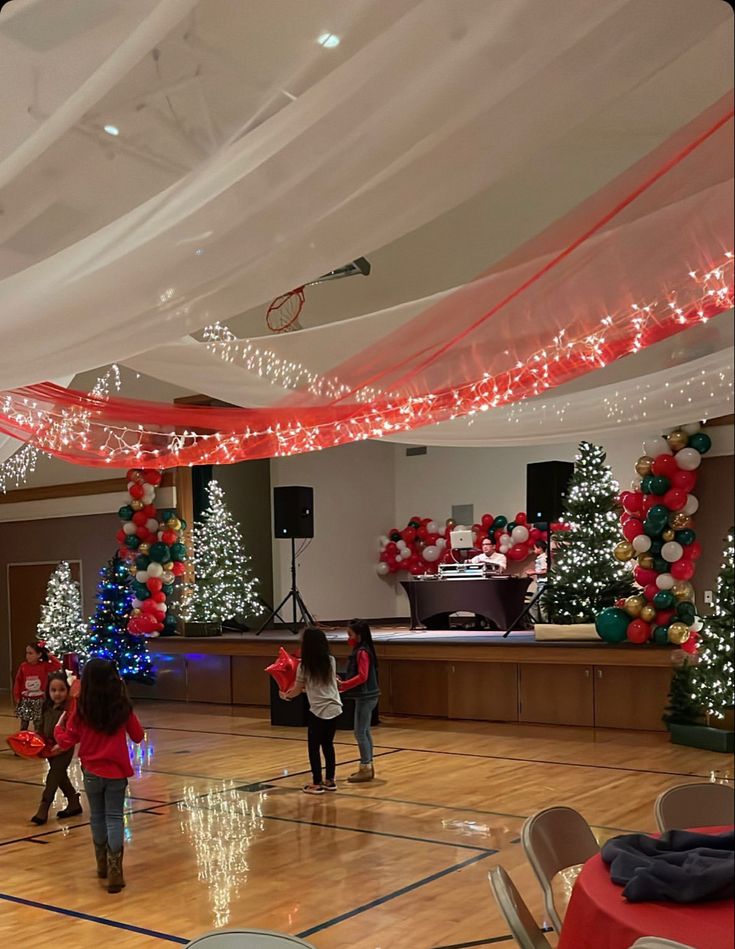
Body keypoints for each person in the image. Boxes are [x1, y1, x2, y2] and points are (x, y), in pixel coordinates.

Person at [54, 658, 144, 893]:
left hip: (91, 771)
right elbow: (137, 736)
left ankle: (102, 864)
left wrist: (57, 729)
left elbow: (68, 739)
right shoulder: (122, 707)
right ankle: (116, 869)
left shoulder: (82, 708)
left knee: (97, 817)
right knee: (115, 817)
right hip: (116, 773)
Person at [281, 627, 342, 795]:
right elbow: (321, 685)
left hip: (318, 710)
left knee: (314, 747)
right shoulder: (330, 660)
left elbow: (297, 688)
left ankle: (316, 782)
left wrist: (286, 695)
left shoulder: (304, 666)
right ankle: (330, 780)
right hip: (335, 707)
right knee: (328, 745)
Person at [31, 671, 82, 825]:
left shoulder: (69, 710)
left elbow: (71, 731)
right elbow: (39, 726)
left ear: (68, 691)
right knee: (59, 775)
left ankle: (44, 807)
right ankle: (73, 801)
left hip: (63, 748)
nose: (57, 694)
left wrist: (62, 745)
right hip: (48, 747)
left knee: (53, 776)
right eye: (53, 690)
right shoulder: (45, 706)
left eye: (61, 690)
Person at [338, 620, 380, 783]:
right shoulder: (362, 650)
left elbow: (362, 676)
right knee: (365, 731)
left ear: (359, 635)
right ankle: (368, 765)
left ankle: (365, 766)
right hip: (367, 695)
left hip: (366, 696)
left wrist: (344, 685)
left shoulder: (362, 652)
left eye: (350, 634)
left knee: (359, 732)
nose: (348, 638)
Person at [13, 641, 62, 731]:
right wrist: (17, 696)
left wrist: (49, 655)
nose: (27, 655)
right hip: (25, 699)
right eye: (27, 653)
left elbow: (58, 665)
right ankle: (22, 737)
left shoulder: (44, 666)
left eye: (30, 653)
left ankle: (38, 737)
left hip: (39, 699)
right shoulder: (23, 666)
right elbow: (18, 681)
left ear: (39, 654)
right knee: (24, 721)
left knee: (38, 722)